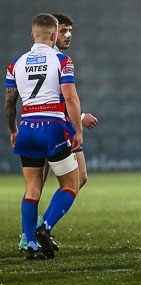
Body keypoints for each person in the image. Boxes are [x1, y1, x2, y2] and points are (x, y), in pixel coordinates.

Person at [17, 13, 100, 252]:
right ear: (52, 34)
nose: (67, 36)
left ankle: (39, 231)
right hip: (56, 129)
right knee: (42, 184)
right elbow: (62, 98)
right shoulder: (56, 60)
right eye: (63, 31)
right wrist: (80, 120)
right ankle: (32, 234)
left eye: (70, 31)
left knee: (79, 177)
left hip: (46, 127)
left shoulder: (52, 60)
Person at [5, 13, 83, 260]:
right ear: (53, 35)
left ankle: (30, 244)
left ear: (32, 35)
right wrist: (78, 129)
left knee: (31, 190)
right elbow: (69, 97)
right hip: (52, 128)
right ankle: (44, 226)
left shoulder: (15, 64)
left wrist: (13, 129)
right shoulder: (62, 60)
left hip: (27, 128)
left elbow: (9, 103)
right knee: (72, 182)